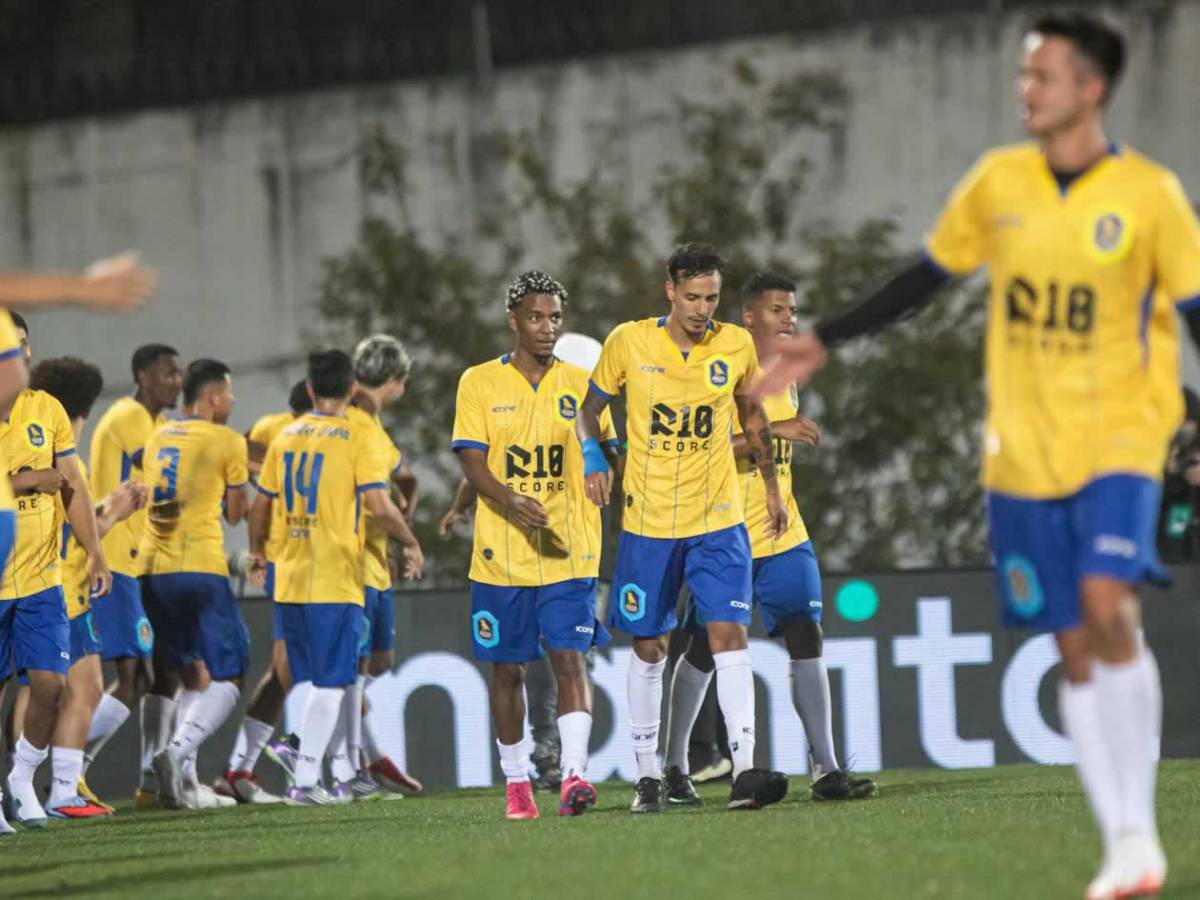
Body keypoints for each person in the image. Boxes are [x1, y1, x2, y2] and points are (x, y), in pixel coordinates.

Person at [754, 13, 1196, 898]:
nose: (1026, 89)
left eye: (1044, 74)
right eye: (1024, 73)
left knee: (1108, 604)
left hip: (1118, 437)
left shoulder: (1150, 197)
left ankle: (1140, 833)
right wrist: (825, 340)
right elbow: (925, 276)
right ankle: (1124, 847)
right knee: (1072, 642)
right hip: (1022, 454)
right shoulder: (1000, 182)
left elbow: (1192, 311)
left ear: (1091, 87)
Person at [576, 243, 789, 813]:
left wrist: (768, 485)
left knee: (730, 637)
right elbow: (586, 411)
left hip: (718, 519)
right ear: (669, 289)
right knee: (650, 647)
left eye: (712, 297)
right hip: (649, 521)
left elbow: (752, 415)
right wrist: (595, 459)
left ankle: (744, 770)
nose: (702, 308)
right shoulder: (629, 342)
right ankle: (648, 773)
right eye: (692, 296)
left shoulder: (736, 344)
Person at [662, 272, 875, 805]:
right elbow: (701, 449)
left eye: (793, 310)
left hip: (784, 534)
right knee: (704, 653)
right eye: (779, 310)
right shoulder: (721, 369)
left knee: (807, 635)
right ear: (750, 316)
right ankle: (672, 763)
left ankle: (826, 769)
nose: (790, 319)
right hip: (723, 535)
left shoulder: (786, 374)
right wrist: (777, 432)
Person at [452, 271, 620, 819]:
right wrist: (508, 499)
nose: (546, 328)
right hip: (501, 557)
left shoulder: (583, 385)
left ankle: (574, 776)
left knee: (571, 660)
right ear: (513, 321)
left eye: (554, 318)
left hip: (569, 548)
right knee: (508, 671)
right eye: (535, 318)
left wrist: (602, 467)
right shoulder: (478, 382)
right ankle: (517, 784)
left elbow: (608, 447)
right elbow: (471, 463)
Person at [247, 350, 423, 806]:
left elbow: (261, 504)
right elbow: (380, 505)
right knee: (335, 680)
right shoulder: (353, 437)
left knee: (317, 678)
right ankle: (305, 780)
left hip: (290, 574)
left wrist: (254, 552)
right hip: (335, 573)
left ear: (308, 389)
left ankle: (325, 769)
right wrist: (410, 542)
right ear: (350, 390)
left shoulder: (285, 436)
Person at [0, 315, 111, 830]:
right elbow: (36, 480)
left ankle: (23, 778)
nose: (15, 358)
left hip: (42, 577)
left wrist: (94, 551)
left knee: (51, 686)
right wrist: (23, 481)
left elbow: (72, 486)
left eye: (22, 348)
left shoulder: (47, 410)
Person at [26, 357, 148, 818]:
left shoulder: (30, 442)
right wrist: (114, 510)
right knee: (76, 687)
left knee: (52, 689)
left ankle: (44, 791)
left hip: (43, 583)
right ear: (83, 411)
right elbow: (73, 527)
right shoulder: (61, 456)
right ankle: (54, 791)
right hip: (57, 587)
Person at [140, 359, 253, 810]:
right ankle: (176, 754)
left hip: (153, 570)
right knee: (231, 671)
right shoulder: (226, 439)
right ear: (213, 399)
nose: (231, 403)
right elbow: (236, 513)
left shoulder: (157, 435)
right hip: (200, 566)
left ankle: (181, 783)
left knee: (189, 673)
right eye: (229, 395)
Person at [88, 343, 183, 808]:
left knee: (153, 675)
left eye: (180, 373)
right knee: (130, 676)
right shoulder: (128, 417)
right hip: (113, 560)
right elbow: (170, 478)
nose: (176, 380)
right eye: (169, 373)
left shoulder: (159, 424)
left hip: (141, 562)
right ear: (144, 375)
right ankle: (65, 767)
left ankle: (150, 779)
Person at [216, 380, 312, 803]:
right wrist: (259, 472)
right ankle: (316, 756)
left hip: (320, 559)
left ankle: (238, 770)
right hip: (286, 555)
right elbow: (236, 450)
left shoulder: (341, 432)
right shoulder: (277, 428)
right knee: (299, 658)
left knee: (278, 675)